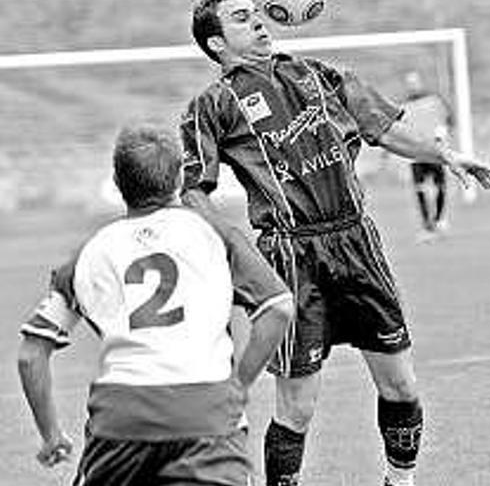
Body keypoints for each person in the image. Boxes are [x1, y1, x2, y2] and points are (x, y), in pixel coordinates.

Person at [181, 0, 490, 485]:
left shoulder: (320, 76)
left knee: (400, 384)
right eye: (243, 19)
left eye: (260, 14)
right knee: (298, 407)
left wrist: (447, 156)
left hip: (356, 241)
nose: (261, 25)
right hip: (290, 254)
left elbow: (387, 129)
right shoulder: (212, 106)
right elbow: (193, 191)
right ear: (217, 42)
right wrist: (225, 249)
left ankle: (401, 481)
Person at [17, 124, 295, 485]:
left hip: (120, 420)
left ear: (117, 182)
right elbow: (278, 307)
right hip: (206, 414)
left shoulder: (90, 253)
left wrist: (51, 434)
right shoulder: (214, 235)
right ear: (180, 177)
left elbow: (30, 354)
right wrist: (238, 388)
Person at [399, 70, 454, 241]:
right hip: (415, 155)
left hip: (434, 150)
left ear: (420, 82)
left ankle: (439, 220)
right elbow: (400, 130)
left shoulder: (434, 101)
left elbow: (449, 120)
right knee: (420, 189)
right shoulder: (404, 107)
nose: (412, 85)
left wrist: (443, 132)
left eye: (414, 82)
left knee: (440, 186)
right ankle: (427, 226)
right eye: (409, 83)